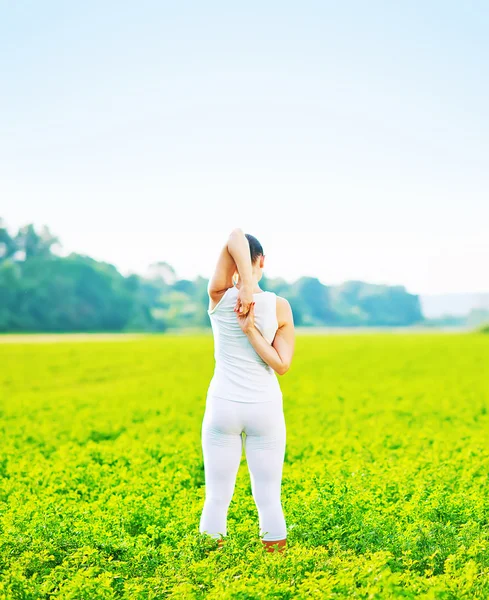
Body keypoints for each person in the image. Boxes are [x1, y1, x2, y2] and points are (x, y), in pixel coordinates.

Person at [199, 228, 295, 554]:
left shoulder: (219, 296)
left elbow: (233, 234)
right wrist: (253, 322)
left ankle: (208, 568)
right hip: (265, 407)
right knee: (268, 495)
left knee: (216, 495)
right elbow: (281, 365)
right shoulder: (280, 306)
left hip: (223, 405)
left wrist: (245, 298)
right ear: (262, 261)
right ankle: (277, 568)